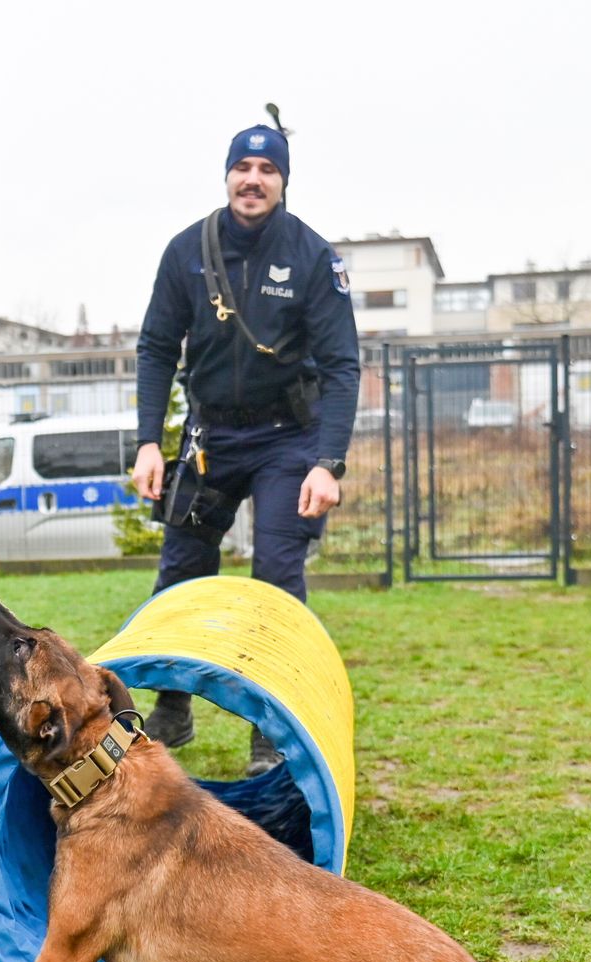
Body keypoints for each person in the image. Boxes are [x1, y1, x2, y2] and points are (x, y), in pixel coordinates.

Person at [130, 123, 360, 776]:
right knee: (182, 569)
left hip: (288, 440)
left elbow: (342, 365)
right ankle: (171, 705)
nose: (253, 178)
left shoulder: (313, 258)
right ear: (227, 175)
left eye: (267, 168)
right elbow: (154, 348)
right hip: (209, 437)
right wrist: (150, 440)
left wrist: (328, 461)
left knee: (278, 575)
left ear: (283, 182)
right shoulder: (186, 252)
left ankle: (270, 724)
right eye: (243, 167)